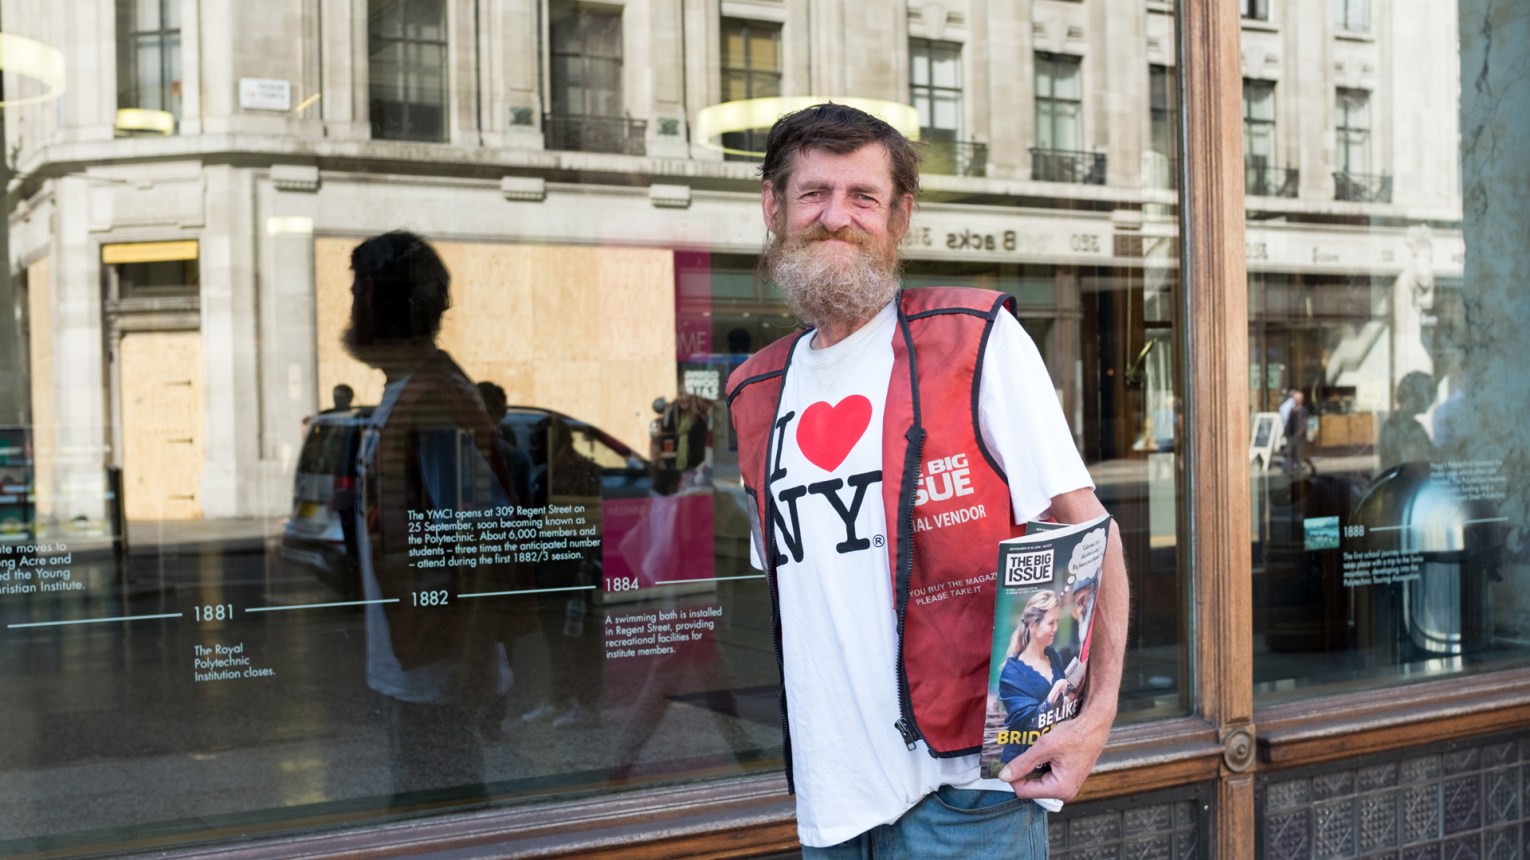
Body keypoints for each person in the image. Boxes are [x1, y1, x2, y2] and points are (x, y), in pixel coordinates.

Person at [725, 104, 1128, 857]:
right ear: (773, 207)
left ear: (900, 215)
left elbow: (1089, 528)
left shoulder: (976, 341)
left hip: (968, 805)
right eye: (812, 193)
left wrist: (1097, 715)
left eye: (863, 196)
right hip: (831, 804)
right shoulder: (754, 392)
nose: (835, 217)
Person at [344, 230, 532, 806]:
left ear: (380, 302)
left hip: (438, 672)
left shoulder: (432, 399)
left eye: (357, 291)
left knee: (440, 815)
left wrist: (472, 664)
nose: (350, 306)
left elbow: (485, 539)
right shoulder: (407, 392)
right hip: (419, 660)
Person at [997, 591, 1070, 768]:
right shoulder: (1011, 673)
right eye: (1051, 623)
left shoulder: (1053, 656)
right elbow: (1029, 725)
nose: (1056, 628)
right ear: (1032, 624)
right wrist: (1053, 695)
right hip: (1022, 761)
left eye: (1057, 622)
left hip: (1053, 756)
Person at [1283, 389, 1313, 476]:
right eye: (1295, 399)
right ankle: (1291, 472)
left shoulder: (1304, 411)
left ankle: (1307, 468)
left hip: (1299, 437)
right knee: (1290, 454)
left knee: (1300, 455)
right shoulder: (1292, 410)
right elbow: (1289, 423)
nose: (1295, 401)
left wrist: (1299, 434)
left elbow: (1304, 424)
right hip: (1291, 436)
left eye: (1297, 399)